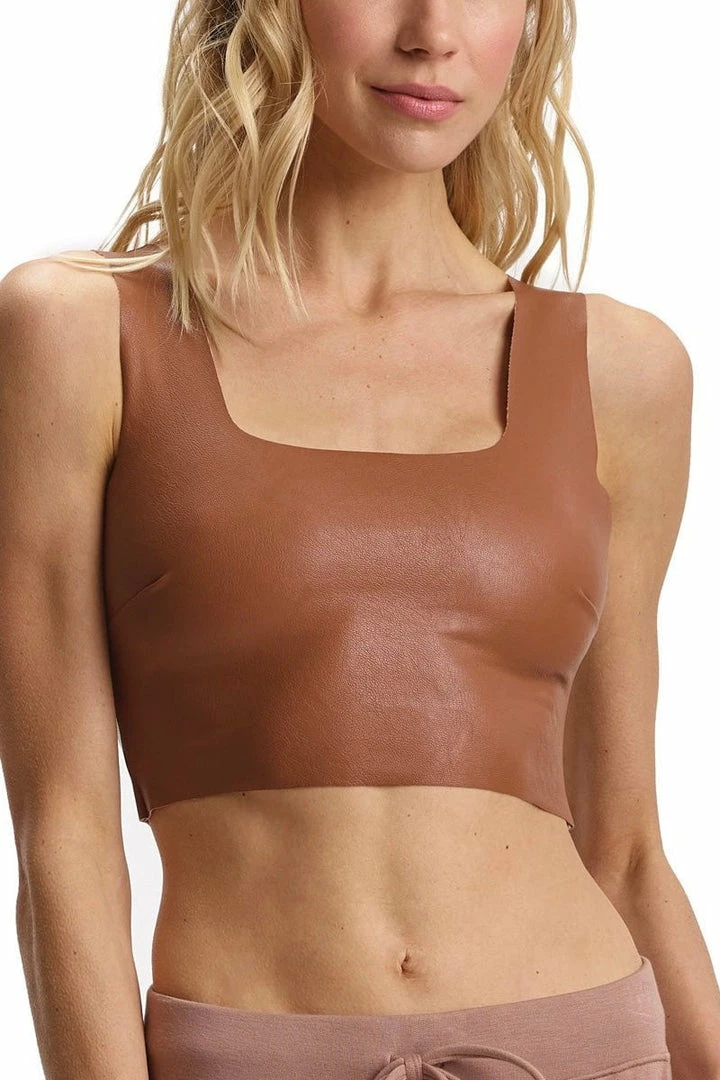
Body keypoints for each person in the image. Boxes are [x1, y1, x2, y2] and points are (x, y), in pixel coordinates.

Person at [0, 0, 718, 1077]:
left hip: (581, 1039)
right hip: (252, 1045)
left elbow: (625, 846)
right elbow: (62, 828)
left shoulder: (621, 369)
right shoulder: (82, 334)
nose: (433, 32)